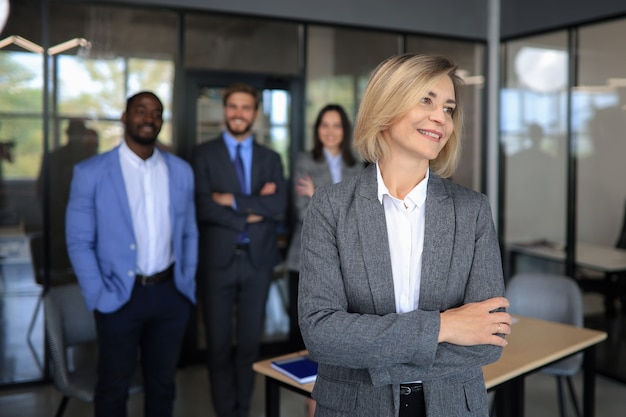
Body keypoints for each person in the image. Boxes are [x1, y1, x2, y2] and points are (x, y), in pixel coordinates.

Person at [298, 54, 512, 417]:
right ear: (386, 105)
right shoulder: (330, 207)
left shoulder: (472, 210)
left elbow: (487, 342)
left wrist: (369, 352)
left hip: (451, 406)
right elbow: (321, 334)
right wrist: (446, 326)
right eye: (426, 100)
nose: (440, 118)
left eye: (448, 108)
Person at [65, 91, 198, 417]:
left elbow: (189, 232)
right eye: (140, 111)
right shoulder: (91, 172)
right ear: (125, 117)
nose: (148, 118)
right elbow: (79, 241)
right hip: (118, 295)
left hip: (170, 294)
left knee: (163, 385)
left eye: (156, 113)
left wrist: (186, 282)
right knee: (113, 387)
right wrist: (98, 293)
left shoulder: (180, 171)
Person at [191, 82, 287, 417]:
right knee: (217, 347)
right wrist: (252, 212)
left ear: (255, 114)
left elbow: (277, 205)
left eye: (246, 108)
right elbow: (203, 206)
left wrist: (231, 201)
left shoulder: (271, 158)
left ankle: (242, 411)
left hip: (258, 262)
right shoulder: (202, 155)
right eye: (233, 106)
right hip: (216, 262)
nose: (239, 114)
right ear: (225, 110)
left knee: (249, 346)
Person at [37, 119, 98, 274]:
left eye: (80, 133)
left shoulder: (91, 158)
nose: (77, 137)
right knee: (61, 267)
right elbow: (44, 190)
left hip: (86, 220)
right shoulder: (55, 158)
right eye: (75, 133)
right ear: (68, 134)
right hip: (60, 220)